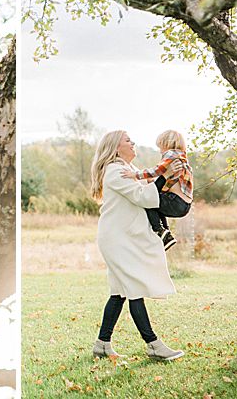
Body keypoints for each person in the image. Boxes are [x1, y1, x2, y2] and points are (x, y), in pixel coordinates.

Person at [89, 130, 184, 361]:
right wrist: (164, 176)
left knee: (119, 292)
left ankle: (102, 344)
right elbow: (143, 197)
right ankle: (153, 344)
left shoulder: (129, 169)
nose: (133, 143)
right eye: (128, 141)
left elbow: (148, 190)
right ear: (115, 147)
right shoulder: (114, 171)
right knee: (134, 289)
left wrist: (169, 176)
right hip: (117, 239)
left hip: (125, 237)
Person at [124, 130, 193, 251]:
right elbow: (169, 180)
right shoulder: (182, 157)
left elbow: (156, 171)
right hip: (184, 205)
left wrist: (135, 174)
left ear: (167, 144)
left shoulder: (171, 155)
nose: (160, 151)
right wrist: (153, 181)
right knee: (157, 202)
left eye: (160, 147)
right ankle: (165, 234)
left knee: (148, 199)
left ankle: (160, 230)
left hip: (176, 201)